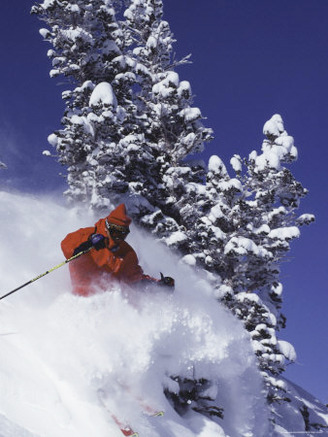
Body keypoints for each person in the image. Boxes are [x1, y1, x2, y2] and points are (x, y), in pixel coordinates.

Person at [61, 203, 174, 296]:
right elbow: (67, 245)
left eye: (123, 234)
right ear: (107, 227)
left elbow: (134, 279)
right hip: (82, 296)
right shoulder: (88, 234)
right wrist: (88, 242)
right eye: (115, 232)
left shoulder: (126, 252)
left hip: (108, 301)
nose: (118, 237)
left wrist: (157, 285)